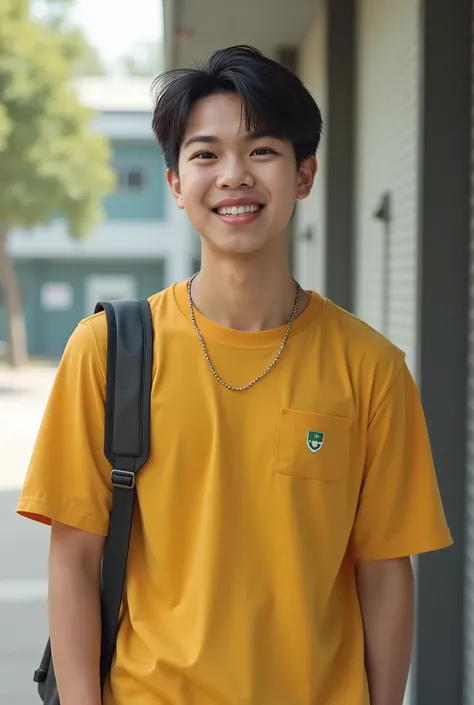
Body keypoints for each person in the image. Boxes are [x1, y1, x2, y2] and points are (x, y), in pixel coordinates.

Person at [17, 45, 452, 705]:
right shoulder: (107, 350)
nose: (233, 175)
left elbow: (386, 571)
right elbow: (74, 559)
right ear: (173, 182)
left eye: (262, 151)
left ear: (304, 175)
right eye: (205, 154)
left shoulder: (371, 368)